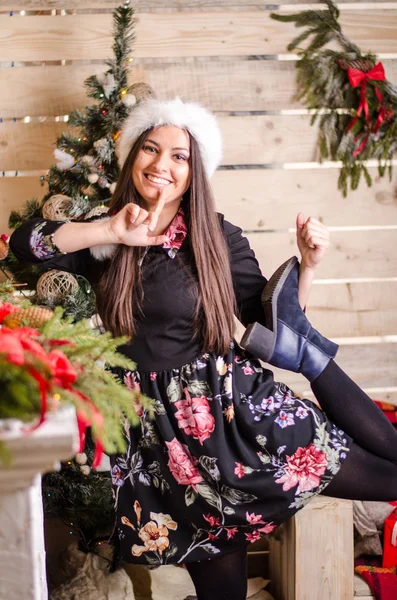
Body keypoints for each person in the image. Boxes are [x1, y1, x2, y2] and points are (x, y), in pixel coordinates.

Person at [10, 97, 397, 600]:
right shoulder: (102, 236)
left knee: (388, 473)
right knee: (222, 591)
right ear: (132, 157)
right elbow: (23, 245)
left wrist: (310, 264)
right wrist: (111, 230)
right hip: (161, 441)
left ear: (196, 172)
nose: (162, 165)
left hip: (235, 414)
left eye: (180, 156)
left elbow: (276, 326)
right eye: (151, 149)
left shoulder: (215, 236)